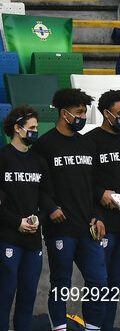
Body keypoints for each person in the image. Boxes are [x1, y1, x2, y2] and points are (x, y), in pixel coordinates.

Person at [34, 88, 108, 331]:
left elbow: (95, 186)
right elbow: (38, 185)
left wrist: (98, 215)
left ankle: (92, 328)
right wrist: (50, 206)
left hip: (88, 228)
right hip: (60, 228)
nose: (82, 117)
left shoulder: (88, 144)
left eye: (85, 112)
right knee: (61, 284)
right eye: (78, 112)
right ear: (63, 113)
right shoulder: (44, 145)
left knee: (99, 282)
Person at [84, 90, 120, 331]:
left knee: (114, 286)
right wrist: (99, 194)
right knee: (97, 284)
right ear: (106, 114)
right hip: (102, 225)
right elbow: (83, 182)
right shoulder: (90, 141)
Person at [0, 106, 51, 331]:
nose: (35, 132)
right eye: (31, 128)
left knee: (28, 293)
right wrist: (16, 222)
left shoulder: (39, 162)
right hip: (8, 236)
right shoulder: (2, 158)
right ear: (17, 129)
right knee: (6, 292)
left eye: (36, 128)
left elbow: (47, 197)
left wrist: (39, 219)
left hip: (32, 240)